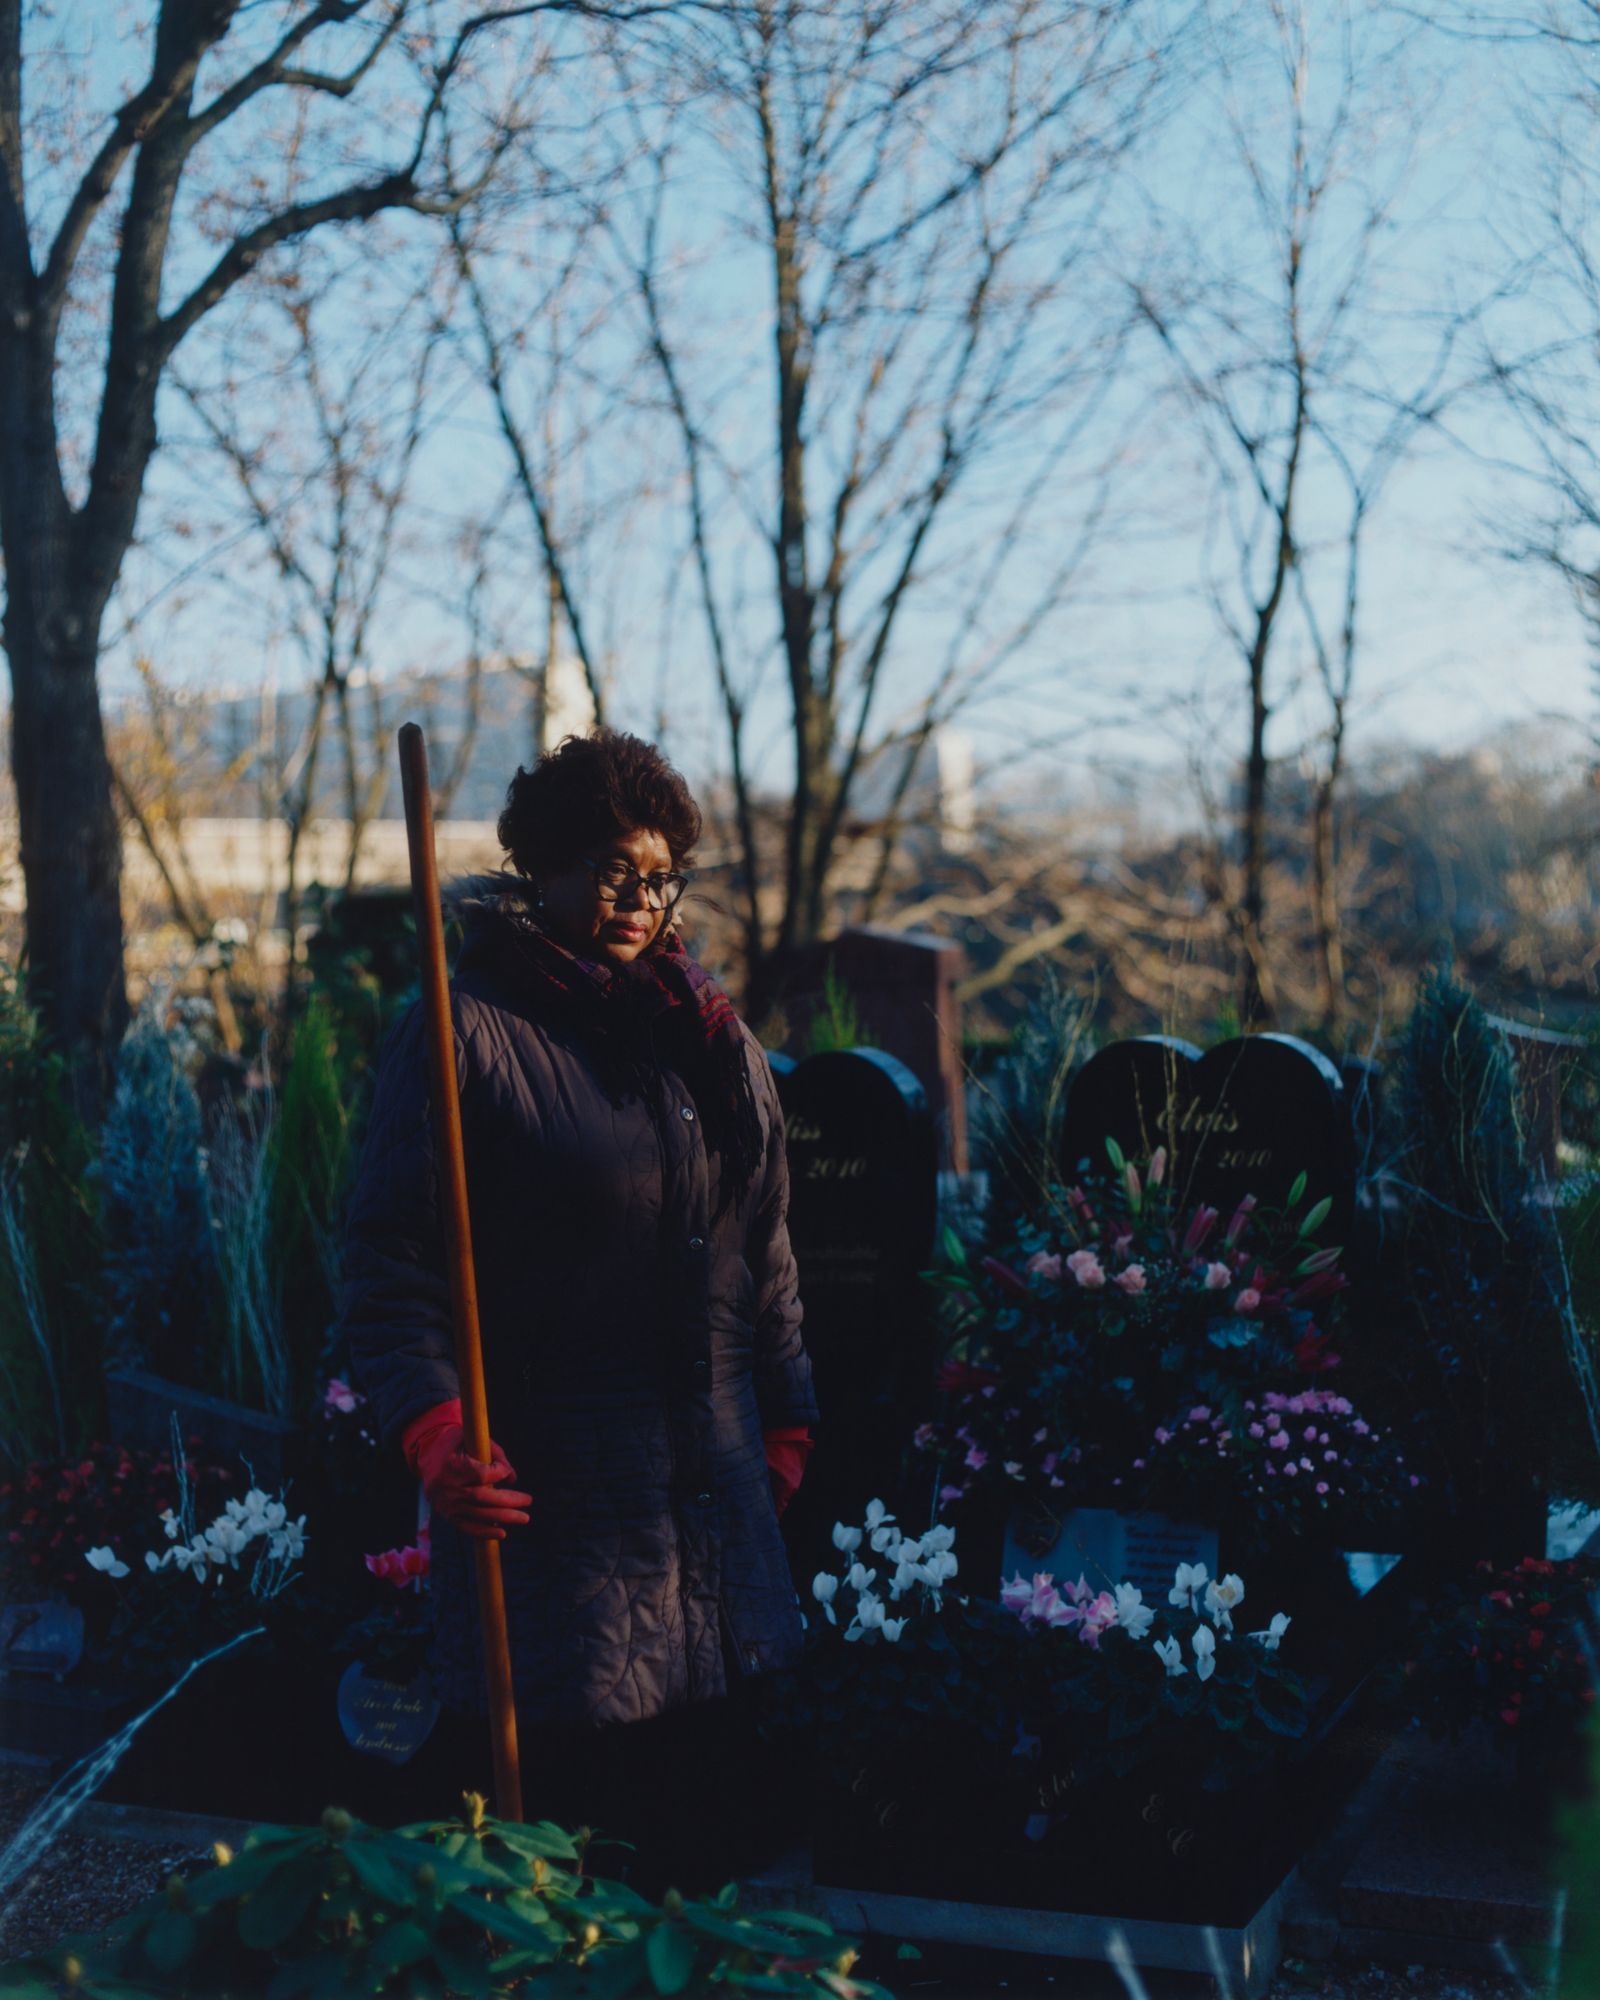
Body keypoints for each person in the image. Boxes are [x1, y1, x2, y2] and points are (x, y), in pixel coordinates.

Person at [340, 727, 816, 1889]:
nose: (639, 898)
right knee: (579, 1862)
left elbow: (767, 1250)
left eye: (660, 877)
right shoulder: (466, 1031)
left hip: (714, 1501)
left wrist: (787, 1417)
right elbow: (386, 1257)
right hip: (558, 1514)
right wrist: (437, 1429)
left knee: (720, 1861)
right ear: (542, 866)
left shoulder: (713, 1040)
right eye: (611, 868)